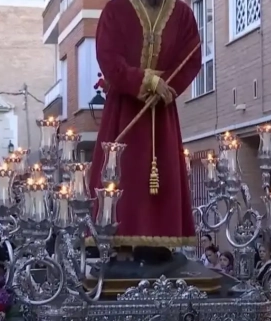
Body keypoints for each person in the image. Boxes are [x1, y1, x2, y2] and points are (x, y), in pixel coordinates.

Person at [87, 0, 202, 264]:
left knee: (163, 174)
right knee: (120, 172)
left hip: (162, 112)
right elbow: (108, 55)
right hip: (124, 108)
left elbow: (192, 56)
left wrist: (168, 87)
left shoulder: (182, 13)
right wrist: (146, 81)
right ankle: (116, 242)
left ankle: (158, 245)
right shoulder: (115, 9)